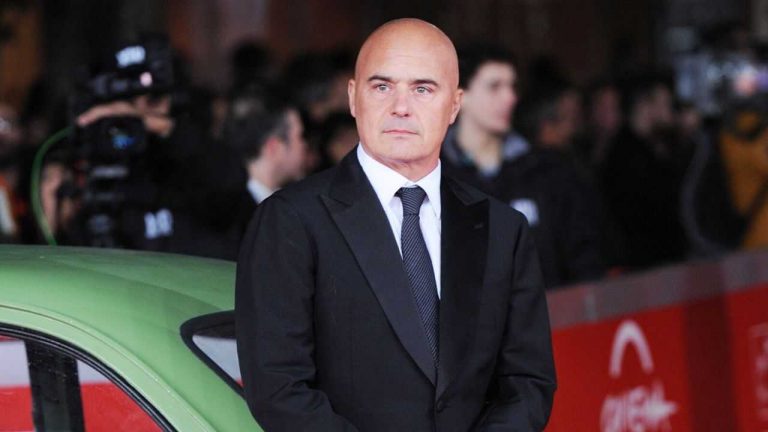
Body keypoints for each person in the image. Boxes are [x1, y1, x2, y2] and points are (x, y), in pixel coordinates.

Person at [236, 18, 556, 431]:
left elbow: (528, 382)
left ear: (454, 105)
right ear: (353, 97)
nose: (401, 107)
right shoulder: (290, 221)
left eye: (423, 89)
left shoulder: (501, 229)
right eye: (382, 87)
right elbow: (278, 388)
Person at [442, 44, 603, 287]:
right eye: (495, 86)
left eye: (512, 86)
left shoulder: (545, 171)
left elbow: (584, 256)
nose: (510, 97)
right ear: (460, 97)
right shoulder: (436, 176)